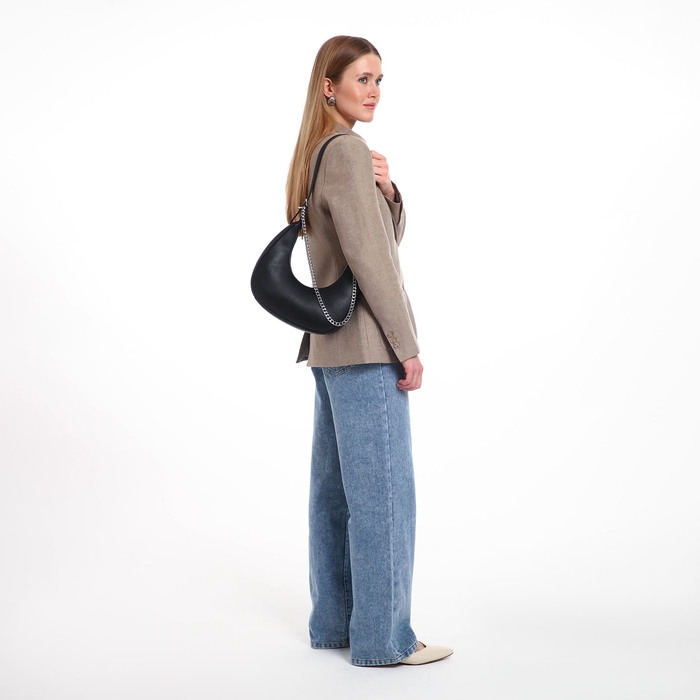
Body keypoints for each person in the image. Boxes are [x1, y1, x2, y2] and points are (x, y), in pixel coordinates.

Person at [285, 35, 453, 667]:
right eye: (363, 79)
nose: (374, 91)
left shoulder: (318, 152)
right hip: (365, 347)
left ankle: (335, 623)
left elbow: (373, 238)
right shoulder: (347, 151)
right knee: (383, 495)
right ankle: (384, 639)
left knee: (334, 495)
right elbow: (374, 261)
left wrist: (388, 192)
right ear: (330, 86)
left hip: (330, 349)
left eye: (380, 80)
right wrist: (407, 346)